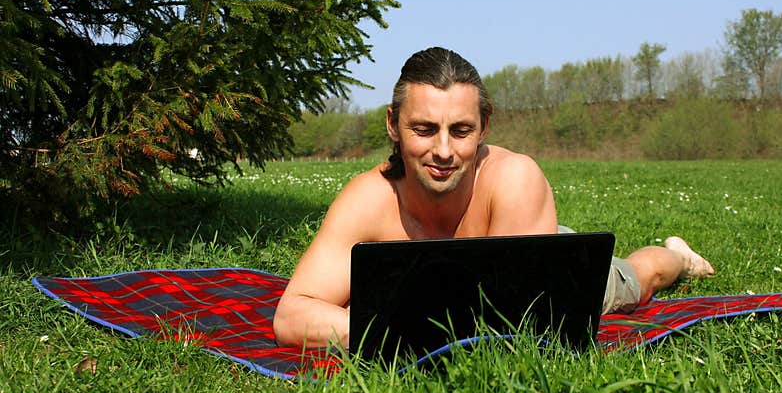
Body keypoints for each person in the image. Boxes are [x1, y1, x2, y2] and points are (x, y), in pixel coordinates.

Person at [272, 46, 714, 350]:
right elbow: (291, 314)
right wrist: (396, 331)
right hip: (468, 285)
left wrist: (393, 328)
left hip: (540, 256)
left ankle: (679, 255)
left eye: (460, 131)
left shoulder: (514, 179)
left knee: (643, 276)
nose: (443, 151)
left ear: (484, 126)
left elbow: (525, 325)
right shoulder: (367, 198)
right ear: (393, 125)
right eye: (424, 129)